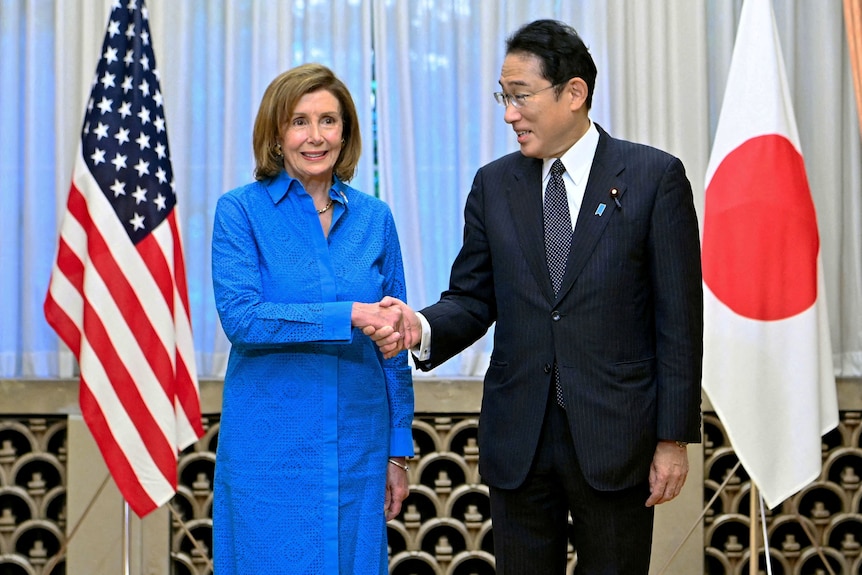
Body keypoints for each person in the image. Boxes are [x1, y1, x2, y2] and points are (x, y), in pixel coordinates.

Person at [368, 19, 702, 574]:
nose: (508, 114)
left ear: (575, 93)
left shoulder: (652, 177)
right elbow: (472, 299)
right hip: (519, 436)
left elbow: (679, 322)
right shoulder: (494, 184)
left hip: (615, 437)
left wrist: (673, 439)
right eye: (504, 97)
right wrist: (418, 326)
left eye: (521, 96)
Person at [210, 63, 414, 575]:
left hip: (358, 449)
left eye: (329, 120)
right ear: (277, 135)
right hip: (269, 450)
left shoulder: (375, 217)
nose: (315, 136)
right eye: (299, 121)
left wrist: (397, 450)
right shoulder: (240, 212)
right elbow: (243, 320)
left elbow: (394, 344)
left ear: (346, 132)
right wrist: (347, 314)